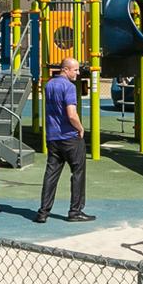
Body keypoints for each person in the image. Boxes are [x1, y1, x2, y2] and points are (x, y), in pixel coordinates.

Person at [36, 56, 93, 223]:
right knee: (78, 172)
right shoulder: (68, 87)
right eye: (75, 70)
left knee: (51, 174)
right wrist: (80, 128)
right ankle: (75, 211)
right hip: (69, 137)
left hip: (53, 137)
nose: (77, 73)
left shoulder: (49, 84)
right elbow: (71, 114)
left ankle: (43, 212)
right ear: (66, 69)